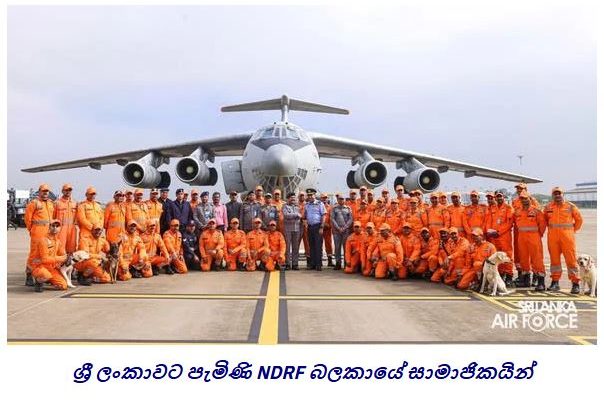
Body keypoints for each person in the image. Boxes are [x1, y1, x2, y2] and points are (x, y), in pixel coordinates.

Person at [543, 186, 583, 293]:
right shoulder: (548, 207)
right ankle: (555, 282)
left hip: (567, 238)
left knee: (571, 260)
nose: (557, 195)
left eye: (559, 193)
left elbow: (579, 220)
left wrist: (572, 231)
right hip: (553, 238)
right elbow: (544, 220)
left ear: (563, 194)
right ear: (552, 195)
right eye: (555, 194)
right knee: (554, 261)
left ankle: (575, 283)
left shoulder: (570, 206)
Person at [513, 192, 546, 290]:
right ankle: (526, 280)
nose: (524, 200)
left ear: (530, 199)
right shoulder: (517, 212)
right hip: (522, 237)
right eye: (522, 199)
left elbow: (542, 224)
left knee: (537, 259)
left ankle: (541, 282)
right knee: (523, 259)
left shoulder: (536, 211)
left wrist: (538, 235)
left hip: (534, 237)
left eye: (526, 198)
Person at [29, 219, 68, 292]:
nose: (55, 228)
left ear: (60, 228)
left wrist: (64, 259)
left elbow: (64, 254)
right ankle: (38, 281)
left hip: (51, 268)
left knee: (63, 286)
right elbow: (45, 259)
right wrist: (61, 259)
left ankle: (47, 281)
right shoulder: (43, 240)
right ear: (49, 227)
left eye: (57, 226)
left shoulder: (57, 241)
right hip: (39, 266)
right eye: (53, 226)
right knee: (46, 275)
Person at [485, 191, 514, 286]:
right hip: (494, 236)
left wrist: (499, 232)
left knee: (507, 255)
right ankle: (501, 274)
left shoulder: (508, 208)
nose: (499, 198)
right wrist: (489, 231)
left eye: (500, 196)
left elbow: (509, 223)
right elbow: (489, 221)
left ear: (503, 197)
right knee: (497, 256)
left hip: (504, 236)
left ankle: (509, 275)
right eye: (497, 197)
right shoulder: (493, 208)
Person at [304, 188, 326, 270]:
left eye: (311, 195)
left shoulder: (320, 204)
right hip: (310, 227)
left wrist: (322, 227)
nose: (310, 197)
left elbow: (323, 215)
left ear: (314, 195)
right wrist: (305, 223)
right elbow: (305, 216)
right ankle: (312, 264)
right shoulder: (307, 205)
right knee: (311, 246)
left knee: (318, 246)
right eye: (308, 195)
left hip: (317, 227)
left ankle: (318, 264)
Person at [330, 194, 353, 270]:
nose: (341, 200)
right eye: (340, 199)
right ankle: (338, 263)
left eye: (342, 199)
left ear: (344, 200)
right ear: (337, 200)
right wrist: (338, 228)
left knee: (346, 248)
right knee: (337, 248)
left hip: (345, 231)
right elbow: (332, 219)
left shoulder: (348, 208)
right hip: (337, 231)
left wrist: (345, 227)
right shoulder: (334, 208)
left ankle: (346, 263)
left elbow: (351, 219)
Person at [53, 183, 77, 253]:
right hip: (61, 229)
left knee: (71, 249)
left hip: (72, 230)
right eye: (66, 190)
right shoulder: (57, 203)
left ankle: (69, 259)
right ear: (62, 191)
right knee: (60, 248)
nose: (68, 192)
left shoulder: (75, 203)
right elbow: (53, 218)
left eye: (69, 190)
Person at [282, 192, 302, 270]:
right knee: (287, 247)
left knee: (295, 247)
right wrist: (296, 215)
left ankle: (295, 264)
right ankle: (287, 263)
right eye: (291, 197)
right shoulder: (285, 206)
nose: (293, 199)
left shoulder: (298, 207)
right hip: (288, 229)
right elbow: (286, 215)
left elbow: (301, 216)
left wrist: (293, 216)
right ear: (288, 199)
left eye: (294, 197)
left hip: (297, 229)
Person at [320, 193, 335, 267]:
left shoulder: (330, 208)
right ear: (321, 199)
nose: (324, 199)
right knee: (319, 244)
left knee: (328, 244)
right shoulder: (318, 206)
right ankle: (319, 261)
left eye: (325, 198)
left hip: (327, 228)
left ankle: (330, 260)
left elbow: (332, 218)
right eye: (323, 198)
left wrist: (329, 225)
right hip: (319, 228)